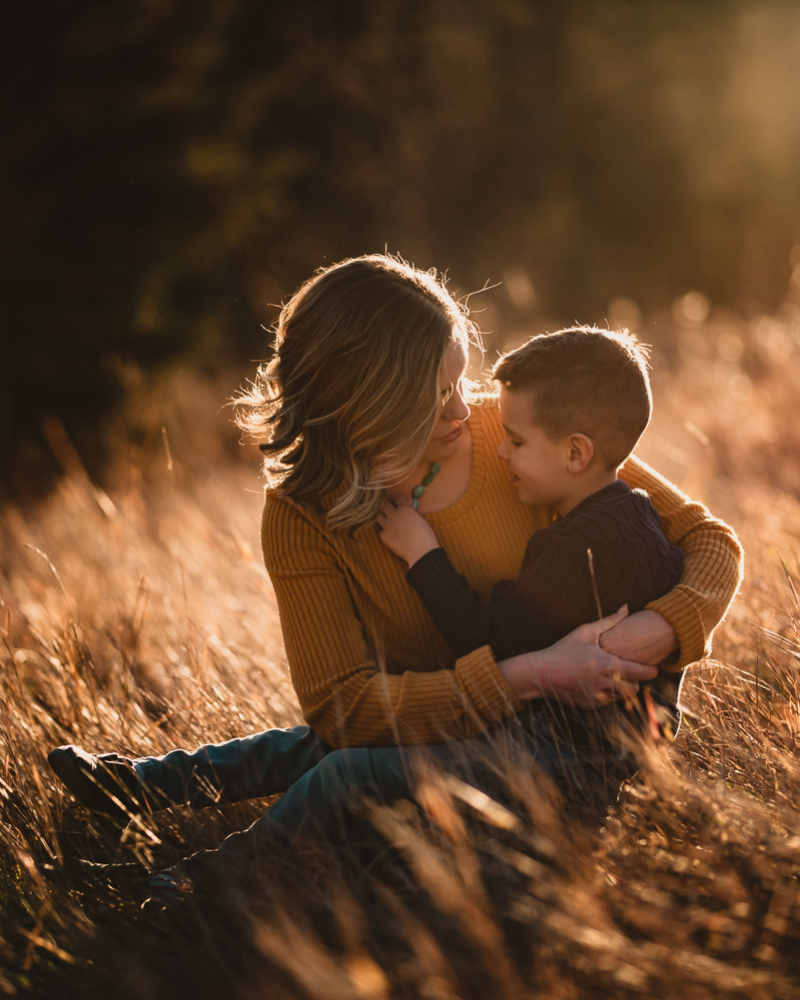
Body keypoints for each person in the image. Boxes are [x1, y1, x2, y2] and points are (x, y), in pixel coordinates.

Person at [47, 255, 742, 891]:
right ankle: (134, 790)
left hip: (547, 740)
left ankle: (189, 887)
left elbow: (708, 541)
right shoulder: (301, 514)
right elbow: (344, 707)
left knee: (339, 769)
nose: (462, 409)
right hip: (482, 705)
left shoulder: (523, 435)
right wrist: (530, 674)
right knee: (323, 745)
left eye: (459, 380)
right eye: (435, 394)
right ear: (365, 404)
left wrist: (658, 630)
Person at [378, 326, 684, 696]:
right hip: (643, 738)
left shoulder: (570, 551)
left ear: (576, 454)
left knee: (347, 760)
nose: (501, 450)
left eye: (517, 440)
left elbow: (490, 648)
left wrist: (422, 554)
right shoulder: (646, 518)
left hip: (563, 748)